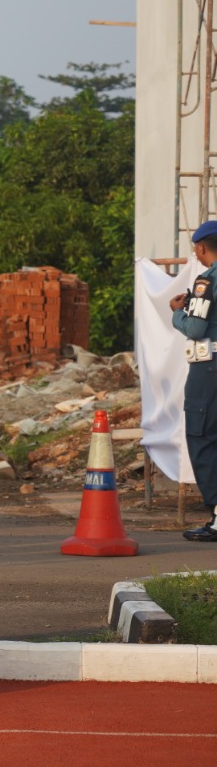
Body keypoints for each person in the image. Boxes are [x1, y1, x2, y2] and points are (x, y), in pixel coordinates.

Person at [171, 221, 217, 540]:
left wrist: (178, 313)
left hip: (209, 371)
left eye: (195, 249)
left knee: (202, 438)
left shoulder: (206, 281)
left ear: (202, 247)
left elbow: (197, 329)